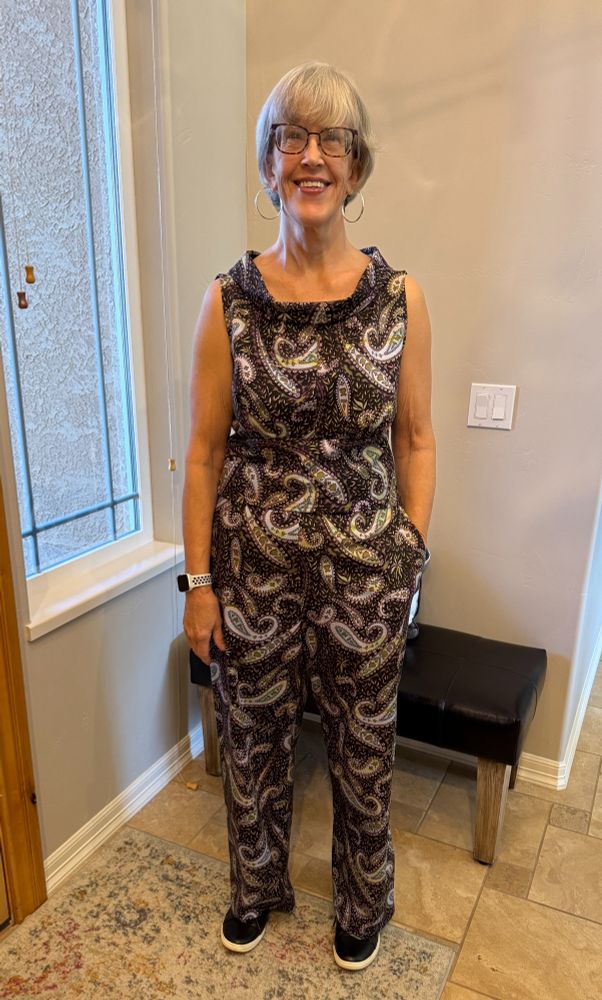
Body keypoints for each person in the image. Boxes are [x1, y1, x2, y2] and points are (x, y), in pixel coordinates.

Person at [181, 61, 436, 972]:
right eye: (293, 138)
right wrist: (200, 583)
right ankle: (256, 887)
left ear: (356, 169)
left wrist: (408, 549)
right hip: (249, 569)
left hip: (368, 570)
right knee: (250, 740)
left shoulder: (401, 301)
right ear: (269, 165)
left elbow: (416, 439)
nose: (313, 157)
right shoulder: (228, 303)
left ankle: (363, 904)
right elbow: (205, 454)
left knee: (367, 746)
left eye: (333, 141)